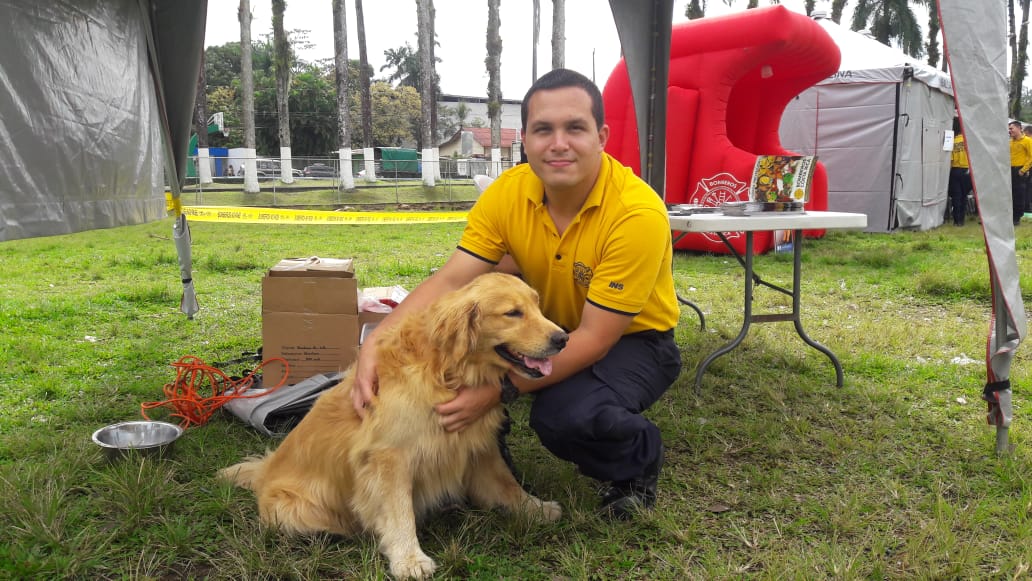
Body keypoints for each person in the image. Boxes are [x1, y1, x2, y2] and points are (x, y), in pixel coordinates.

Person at [351, 68, 682, 520]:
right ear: (524, 138)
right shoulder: (508, 193)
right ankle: (479, 472)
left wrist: (501, 391)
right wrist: (377, 341)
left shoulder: (636, 214)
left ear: (602, 136)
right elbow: (451, 282)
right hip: (542, 327)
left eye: (575, 128)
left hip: (634, 341)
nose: (558, 143)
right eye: (544, 129)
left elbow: (594, 337)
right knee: (454, 361)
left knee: (564, 416)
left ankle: (636, 461)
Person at [1008, 120, 1032, 226]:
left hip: (1020, 170)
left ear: (1019, 128)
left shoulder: (1027, 141)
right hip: (1010, 169)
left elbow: (1031, 157)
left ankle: (1017, 217)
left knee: (1019, 194)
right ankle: (1011, 216)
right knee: (1011, 194)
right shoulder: (1010, 142)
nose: (1010, 131)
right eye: (1009, 129)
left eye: (1011, 128)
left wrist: (1023, 170)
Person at [948, 118, 971, 226]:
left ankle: (956, 220)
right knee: (964, 196)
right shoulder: (968, 140)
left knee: (956, 196)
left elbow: (950, 159)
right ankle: (962, 220)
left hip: (955, 170)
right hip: (967, 171)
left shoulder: (952, 141)